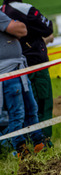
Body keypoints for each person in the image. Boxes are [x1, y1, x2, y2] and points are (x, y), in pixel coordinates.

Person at [2, 0, 55, 141]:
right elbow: (48, 28)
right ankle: (43, 141)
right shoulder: (26, 9)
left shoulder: (1, 12)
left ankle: (21, 142)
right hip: (34, 64)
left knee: (17, 109)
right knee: (42, 104)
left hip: (11, 70)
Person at [0, 10, 48, 159]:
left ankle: (38, 143)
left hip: (16, 70)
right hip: (9, 73)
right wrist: (15, 25)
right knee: (17, 113)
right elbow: (22, 30)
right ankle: (21, 150)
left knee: (30, 108)